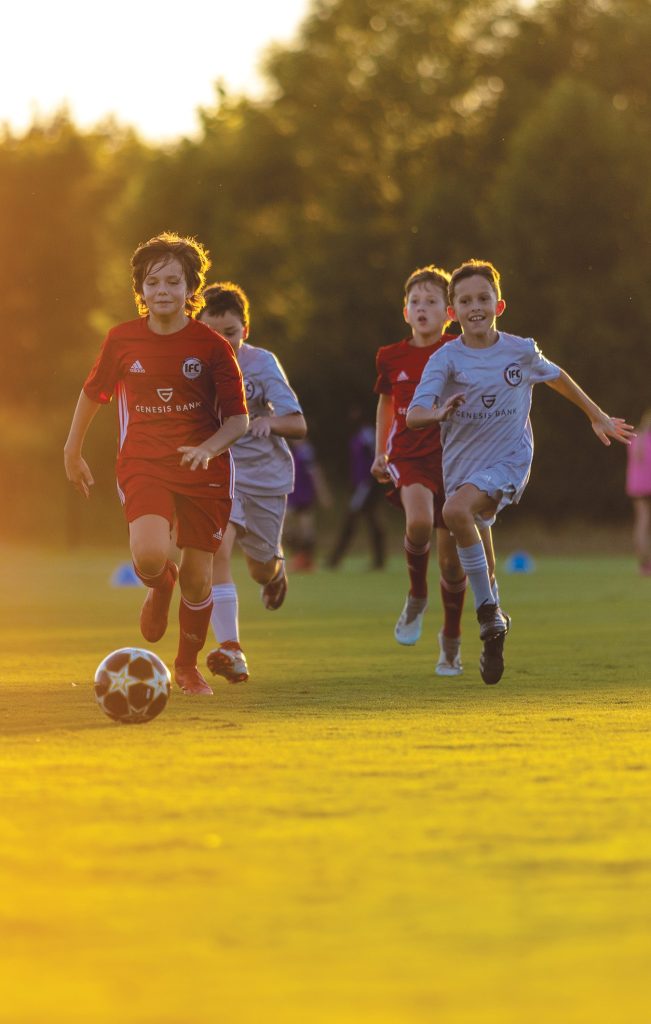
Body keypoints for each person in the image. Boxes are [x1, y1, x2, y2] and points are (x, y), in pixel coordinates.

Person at [407, 258, 635, 684]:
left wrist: (596, 414)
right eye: (465, 300)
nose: (476, 306)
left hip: (510, 460)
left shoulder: (519, 350)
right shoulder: (446, 359)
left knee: (455, 512)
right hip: (463, 467)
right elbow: (414, 415)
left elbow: (557, 376)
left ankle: (487, 613)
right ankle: (495, 622)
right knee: (483, 569)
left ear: (499, 304)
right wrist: (436, 412)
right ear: (452, 313)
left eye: (483, 298)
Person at [64, 232, 248, 697]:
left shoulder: (211, 346)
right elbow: (93, 394)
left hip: (205, 472)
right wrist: (72, 450)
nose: (162, 290)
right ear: (140, 291)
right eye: (153, 282)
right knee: (148, 555)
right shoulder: (121, 339)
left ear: (191, 290)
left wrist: (208, 448)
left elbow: (239, 420)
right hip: (144, 461)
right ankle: (157, 585)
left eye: (173, 281)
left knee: (199, 576)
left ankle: (186, 667)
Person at [371, 265, 494, 677]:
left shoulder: (459, 351)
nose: (422, 308)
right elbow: (387, 405)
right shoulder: (391, 356)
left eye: (431, 302)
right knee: (419, 521)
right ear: (405, 311)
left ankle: (451, 642)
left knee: (451, 565)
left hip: (455, 461)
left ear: (449, 313)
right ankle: (417, 596)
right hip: (409, 457)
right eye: (415, 302)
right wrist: (379, 452)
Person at [197, 282, 307, 684]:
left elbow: (298, 423)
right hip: (218, 472)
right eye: (211, 333)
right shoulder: (191, 364)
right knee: (216, 549)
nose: (221, 341)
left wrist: (268, 421)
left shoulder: (263, 364)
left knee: (259, 568)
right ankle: (231, 648)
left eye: (230, 332)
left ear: (246, 329)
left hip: (264, 477)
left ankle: (274, 573)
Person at [327, 405, 386, 570]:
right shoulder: (359, 435)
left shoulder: (367, 434)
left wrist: (371, 482)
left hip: (365, 485)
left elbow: (375, 456)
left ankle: (335, 559)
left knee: (351, 520)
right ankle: (379, 560)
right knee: (371, 520)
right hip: (359, 485)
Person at [284, 438, 332, 572]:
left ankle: (306, 561)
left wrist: (323, 493)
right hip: (294, 496)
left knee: (306, 531)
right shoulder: (295, 451)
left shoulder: (306, 451)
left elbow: (316, 473)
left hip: (304, 497)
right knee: (288, 527)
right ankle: (301, 558)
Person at [626, 408, 651, 575]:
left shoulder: (635, 438)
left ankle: (644, 564)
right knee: (644, 523)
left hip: (636, 486)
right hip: (648, 485)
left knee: (641, 523)